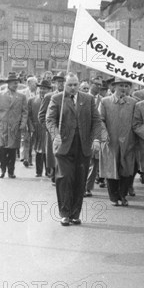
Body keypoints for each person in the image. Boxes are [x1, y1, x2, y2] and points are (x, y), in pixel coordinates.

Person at [46, 72, 103, 225]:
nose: (72, 88)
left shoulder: (88, 99)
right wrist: (55, 135)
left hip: (83, 146)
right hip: (63, 145)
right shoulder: (57, 99)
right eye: (69, 85)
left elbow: (97, 121)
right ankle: (65, 213)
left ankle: (75, 213)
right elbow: (50, 120)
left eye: (75, 85)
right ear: (64, 85)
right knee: (64, 178)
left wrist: (96, 139)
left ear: (79, 85)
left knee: (80, 179)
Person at [99, 77, 138, 206]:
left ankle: (123, 194)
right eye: (121, 85)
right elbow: (100, 120)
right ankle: (114, 197)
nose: (124, 88)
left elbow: (136, 122)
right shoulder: (105, 102)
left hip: (128, 141)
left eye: (127, 86)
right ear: (114, 87)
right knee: (111, 169)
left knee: (127, 169)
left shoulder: (133, 103)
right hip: (111, 141)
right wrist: (104, 134)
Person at [0, 72, 28, 178]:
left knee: (12, 150)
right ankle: (2, 169)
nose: (16, 85)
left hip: (15, 127)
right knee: (2, 149)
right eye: (14, 83)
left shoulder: (22, 96)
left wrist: (23, 124)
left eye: (17, 83)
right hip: (2, 127)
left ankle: (11, 171)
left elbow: (25, 112)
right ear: (8, 83)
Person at [39, 72, 65, 183]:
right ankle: (54, 174)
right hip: (53, 131)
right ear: (54, 83)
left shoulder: (70, 96)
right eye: (59, 82)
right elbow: (41, 115)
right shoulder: (49, 96)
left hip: (66, 131)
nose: (61, 84)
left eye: (63, 82)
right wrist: (50, 129)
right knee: (53, 154)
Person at [28, 79, 51, 177]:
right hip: (36, 128)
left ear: (48, 90)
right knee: (38, 150)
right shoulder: (32, 100)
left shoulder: (52, 99)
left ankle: (48, 171)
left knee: (47, 150)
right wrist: (31, 127)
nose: (42, 91)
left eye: (44, 89)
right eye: (41, 88)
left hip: (47, 129)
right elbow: (28, 115)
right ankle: (38, 171)